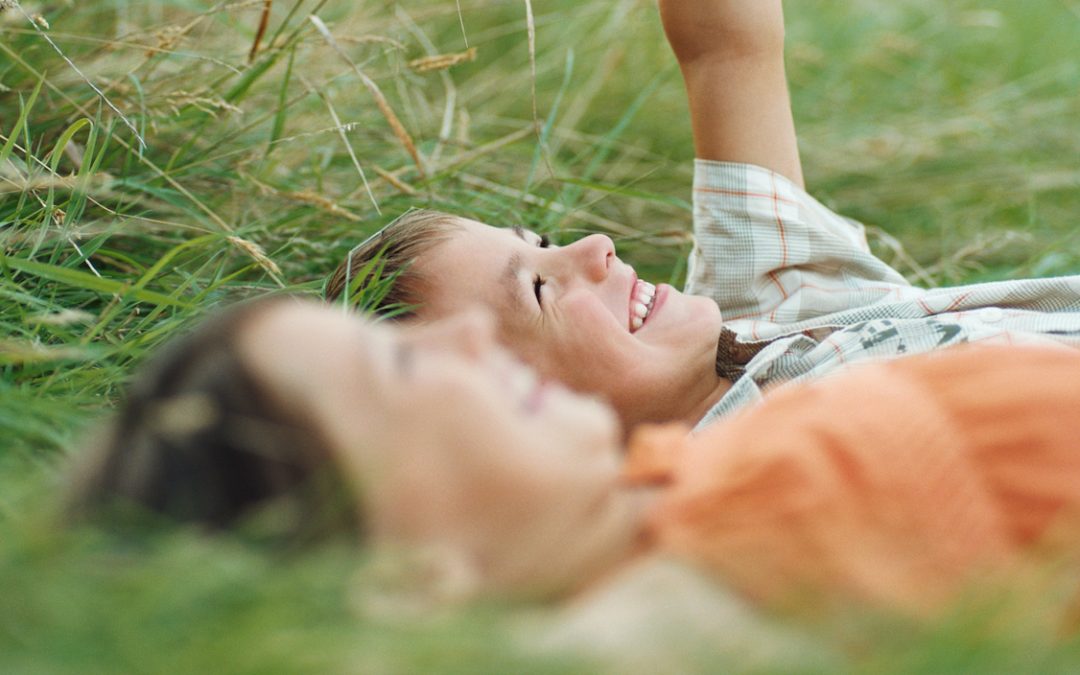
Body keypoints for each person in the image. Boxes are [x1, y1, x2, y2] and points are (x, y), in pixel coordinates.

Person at [69, 297, 1080, 623]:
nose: (465, 333)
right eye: (401, 369)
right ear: (408, 575)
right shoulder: (742, 558)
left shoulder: (700, 475)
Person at [325, 0, 1080, 430]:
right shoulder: (732, 484)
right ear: (524, 413)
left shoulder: (772, 298)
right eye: (540, 290)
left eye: (547, 243)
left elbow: (725, 46)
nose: (595, 247)